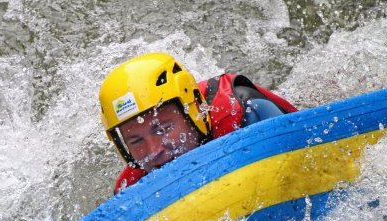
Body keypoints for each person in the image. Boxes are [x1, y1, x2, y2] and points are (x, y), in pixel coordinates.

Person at [99, 52, 298, 194]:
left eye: (162, 129)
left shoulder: (246, 113)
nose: (154, 150)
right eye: (136, 141)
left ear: (193, 111)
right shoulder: (132, 186)